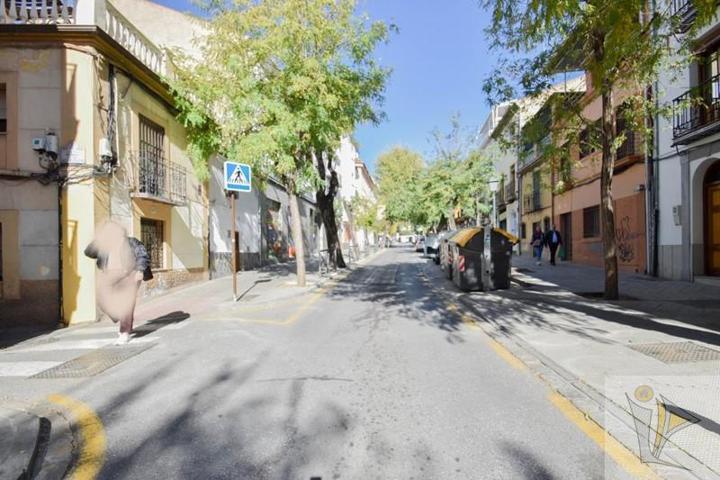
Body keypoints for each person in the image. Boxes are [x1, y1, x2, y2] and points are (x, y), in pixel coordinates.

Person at [84, 222, 153, 345]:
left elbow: (143, 255)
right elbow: (88, 253)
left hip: (129, 274)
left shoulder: (132, 242)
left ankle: (124, 332)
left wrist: (140, 270)